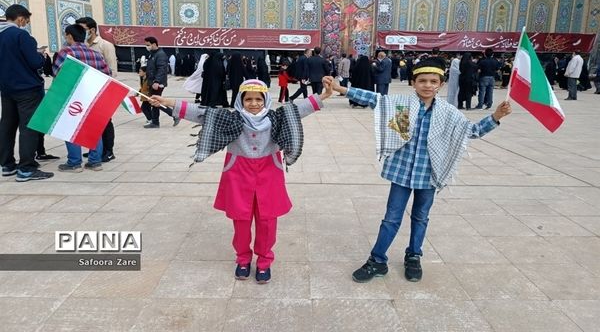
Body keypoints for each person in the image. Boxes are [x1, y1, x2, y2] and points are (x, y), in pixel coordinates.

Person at [325, 59, 512, 283]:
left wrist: (496, 117)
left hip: (430, 174)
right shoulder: (403, 105)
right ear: (413, 82)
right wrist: (340, 88)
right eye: (422, 80)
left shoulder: (448, 113)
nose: (428, 85)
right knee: (391, 218)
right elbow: (375, 99)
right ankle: (377, 260)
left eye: (433, 81)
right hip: (401, 172)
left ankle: (413, 256)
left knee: (421, 217)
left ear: (441, 85)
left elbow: (471, 131)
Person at [149, 78, 333, 283]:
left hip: (269, 172)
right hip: (238, 173)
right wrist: (167, 102)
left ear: (265, 100)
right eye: (248, 99)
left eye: (258, 99)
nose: (254, 104)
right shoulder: (229, 119)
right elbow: (200, 113)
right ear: (240, 100)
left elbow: (299, 109)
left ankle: (264, 261)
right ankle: (243, 259)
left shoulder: (278, 117)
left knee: (267, 221)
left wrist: (323, 95)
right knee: (241, 221)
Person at [0, 4, 54, 182]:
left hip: (7, 89)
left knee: (7, 126)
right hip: (27, 89)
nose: (25, 25)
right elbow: (35, 63)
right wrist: (40, 55)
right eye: (26, 21)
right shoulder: (21, 35)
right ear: (21, 18)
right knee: (28, 128)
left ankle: (7, 165)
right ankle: (26, 169)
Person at [53, 24, 111, 172]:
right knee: (93, 128)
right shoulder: (95, 54)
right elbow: (107, 74)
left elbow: (58, 75)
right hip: (91, 96)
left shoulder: (66, 52)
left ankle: (74, 163)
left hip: (71, 97)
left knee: (70, 128)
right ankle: (95, 161)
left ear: (70, 36)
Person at [76, 16, 118, 162]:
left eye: (83, 29)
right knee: (90, 121)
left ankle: (108, 151)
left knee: (105, 121)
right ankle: (95, 149)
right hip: (86, 89)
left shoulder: (105, 45)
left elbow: (112, 70)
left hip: (102, 88)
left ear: (92, 30)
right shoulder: (81, 46)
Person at [144, 36, 169, 126]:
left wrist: (157, 81)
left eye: (148, 45)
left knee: (155, 102)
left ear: (154, 44)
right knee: (154, 102)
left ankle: (155, 122)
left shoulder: (160, 54)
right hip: (152, 82)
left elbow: (162, 69)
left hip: (157, 83)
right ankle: (172, 114)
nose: (147, 47)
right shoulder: (153, 54)